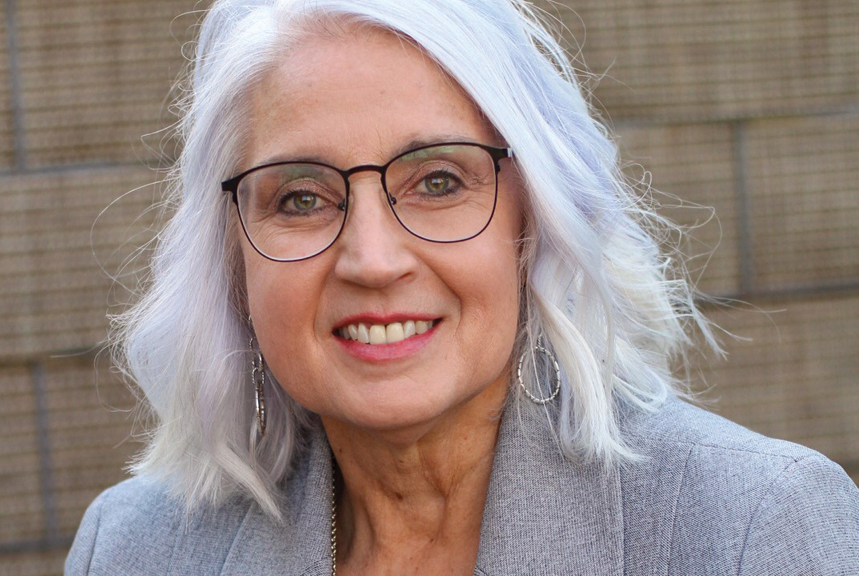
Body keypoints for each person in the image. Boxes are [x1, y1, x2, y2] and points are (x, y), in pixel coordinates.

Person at [65, 0, 859, 574]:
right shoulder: (134, 550)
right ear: (232, 252)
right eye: (301, 198)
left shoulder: (755, 529)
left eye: (438, 181)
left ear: (535, 219)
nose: (373, 261)